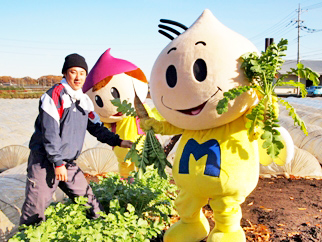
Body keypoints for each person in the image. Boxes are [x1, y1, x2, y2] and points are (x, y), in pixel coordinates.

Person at [20, 53, 132, 226]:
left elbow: (96, 128)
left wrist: (118, 141)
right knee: (35, 211)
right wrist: (57, 163)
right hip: (45, 162)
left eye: (82, 73)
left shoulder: (84, 101)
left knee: (91, 204)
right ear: (65, 73)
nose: (78, 77)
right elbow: (50, 133)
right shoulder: (54, 96)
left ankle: (100, 230)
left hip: (69, 163)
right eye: (73, 72)